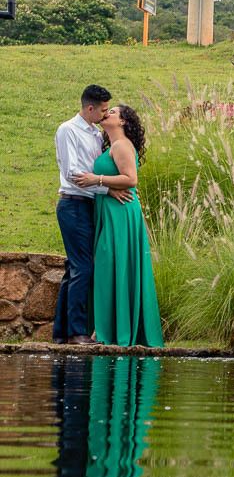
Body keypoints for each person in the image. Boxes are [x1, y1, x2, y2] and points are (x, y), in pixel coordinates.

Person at [73, 105, 163, 348]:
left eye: (112, 112)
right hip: (111, 211)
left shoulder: (121, 144)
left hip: (120, 214)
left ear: (123, 121)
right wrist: (107, 188)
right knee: (109, 265)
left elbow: (131, 179)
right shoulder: (111, 146)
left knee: (109, 264)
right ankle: (106, 327)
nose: (107, 114)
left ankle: (102, 331)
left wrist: (96, 180)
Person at [53, 85, 132, 345]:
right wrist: (107, 189)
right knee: (82, 268)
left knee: (73, 268)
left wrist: (103, 188)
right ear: (90, 108)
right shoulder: (68, 130)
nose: (105, 113)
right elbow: (73, 175)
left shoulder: (97, 135)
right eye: (103, 110)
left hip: (90, 206)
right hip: (73, 205)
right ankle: (76, 332)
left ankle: (62, 332)